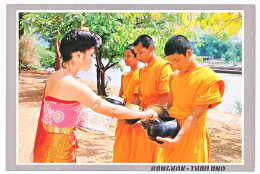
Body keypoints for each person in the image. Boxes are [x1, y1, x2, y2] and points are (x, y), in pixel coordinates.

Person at [32, 29, 158, 163]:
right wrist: (144, 114)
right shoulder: (72, 84)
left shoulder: (56, 76)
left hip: (47, 144)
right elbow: (112, 110)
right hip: (57, 150)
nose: (92, 60)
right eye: (91, 55)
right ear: (78, 55)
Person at [156, 35, 225, 163]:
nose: (175, 65)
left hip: (191, 137)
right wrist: (155, 120)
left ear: (188, 53)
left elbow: (195, 116)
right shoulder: (173, 76)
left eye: (177, 60)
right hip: (173, 132)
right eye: (171, 62)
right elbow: (170, 107)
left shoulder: (207, 78)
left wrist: (177, 140)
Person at [129, 35, 172, 163]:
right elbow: (139, 96)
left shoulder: (163, 66)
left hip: (155, 120)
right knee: (140, 157)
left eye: (141, 52)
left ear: (151, 48)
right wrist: (131, 114)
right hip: (143, 117)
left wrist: (148, 117)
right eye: (136, 53)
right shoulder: (142, 70)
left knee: (154, 158)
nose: (139, 57)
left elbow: (165, 96)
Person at [113, 44, 140, 163]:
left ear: (137, 57)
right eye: (124, 56)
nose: (125, 59)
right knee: (120, 148)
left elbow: (137, 98)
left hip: (132, 115)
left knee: (132, 150)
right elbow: (120, 96)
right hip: (123, 115)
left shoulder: (141, 74)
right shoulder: (124, 75)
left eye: (128, 56)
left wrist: (128, 115)